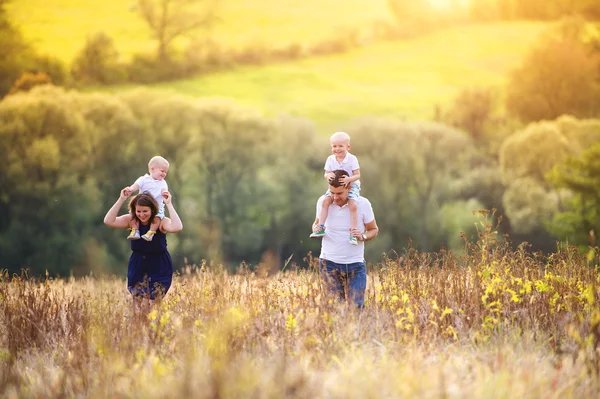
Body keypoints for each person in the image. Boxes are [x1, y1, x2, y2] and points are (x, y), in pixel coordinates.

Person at [104, 188, 183, 308]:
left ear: (152, 209)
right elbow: (108, 221)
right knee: (138, 301)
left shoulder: (160, 223)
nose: (141, 215)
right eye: (138, 211)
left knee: (153, 303)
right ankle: (138, 326)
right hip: (138, 263)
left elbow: (177, 227)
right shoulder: (132, 221)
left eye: (145, 211)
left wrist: (169, 204)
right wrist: (121, 199)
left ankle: (154, 326)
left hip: (159, 264)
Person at [312, 169, 379, 307]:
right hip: (328, 264)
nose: (335, 197)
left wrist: (363, 236)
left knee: (356, 308)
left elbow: (374, 230)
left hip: (355, 265)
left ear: (349, 187)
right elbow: (316, 223)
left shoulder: (362, 204)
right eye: (332, 193)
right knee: (335, 309)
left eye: (339, 193)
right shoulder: (323, 202)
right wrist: (316, 228)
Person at [310, 132, 361, 245]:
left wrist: (349, 179)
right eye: (334, 146)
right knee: (325, 201)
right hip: (336, 187)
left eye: (340, 146)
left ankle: (353, 233)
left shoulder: (352, 159)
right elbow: (326, 174)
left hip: (351, 185)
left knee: (353, 204)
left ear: (348, 146)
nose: (337, 149)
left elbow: (358, 175)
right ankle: (321, 227)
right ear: (331, 147)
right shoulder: (330, 159)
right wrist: (327, 176)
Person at [124, 155, 170, 242]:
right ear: (152, 169)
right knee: (133, 215)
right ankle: (135, 231)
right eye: (162, 171)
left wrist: (165, 193)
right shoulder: (143, 179)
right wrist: (131, 189)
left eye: (165, 172)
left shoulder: (163, 183)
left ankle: (150, 233)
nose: (164, 174)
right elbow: (136, 185)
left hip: (157, 206)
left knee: (157, 218)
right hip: (142, 204)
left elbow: (164, 189)